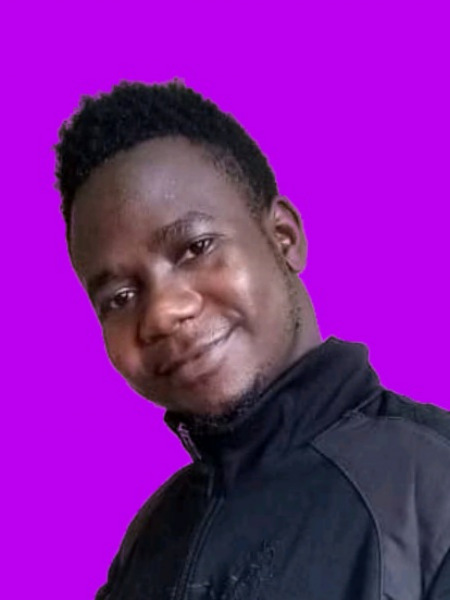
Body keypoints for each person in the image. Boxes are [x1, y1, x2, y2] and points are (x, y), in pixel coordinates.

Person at [55, 80, 450, 600]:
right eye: (120, 297)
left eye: (195, 247)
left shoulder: (433, 488)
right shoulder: (150, 536)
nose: (162, 313)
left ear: (283, 238)